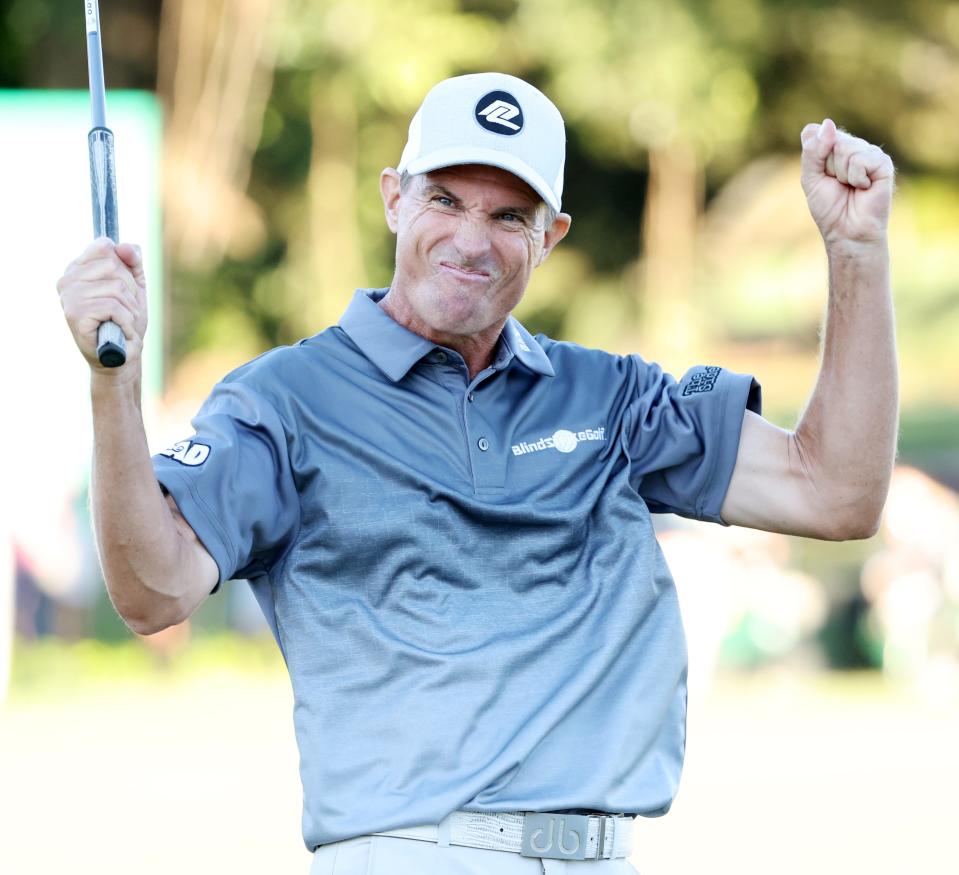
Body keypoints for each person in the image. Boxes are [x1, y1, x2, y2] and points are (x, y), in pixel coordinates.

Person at [56, 72, 897, 874]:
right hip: (408, 852)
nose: (469, 239)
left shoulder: (612, 398)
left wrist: (854, 249)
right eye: (443, 199)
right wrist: (112, 386)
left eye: (507, 215)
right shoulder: (284, 399)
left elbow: (835, 491)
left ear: (550, 235)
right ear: (393, 196)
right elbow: (152, 588)